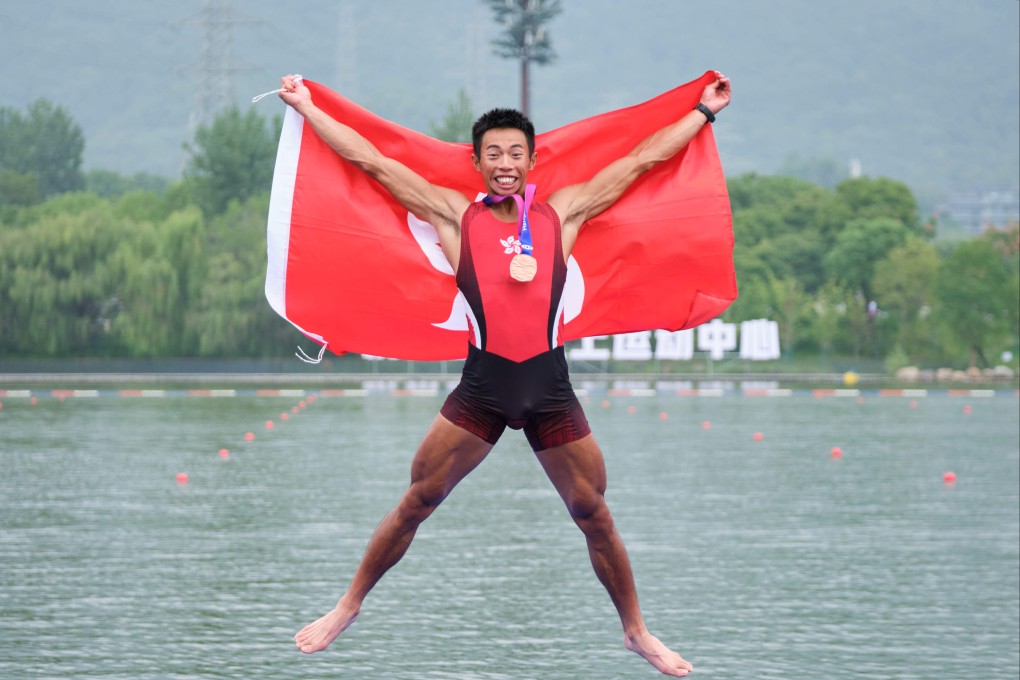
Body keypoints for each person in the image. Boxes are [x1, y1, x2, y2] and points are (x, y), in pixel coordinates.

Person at [280, 71, 731, 678]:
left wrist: (704, 114)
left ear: (531, 158)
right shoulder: (452, 215)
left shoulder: (562, 215)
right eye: (493, 153)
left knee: (593, 512)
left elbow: (641, 161)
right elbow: (374, 163)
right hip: (483, 390)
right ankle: (349, 605)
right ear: (477, 161)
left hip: (549, 391)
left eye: (515, 152)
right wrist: (310, 109)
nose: (504, 162)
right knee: (419, 499)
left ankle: (637, 631)